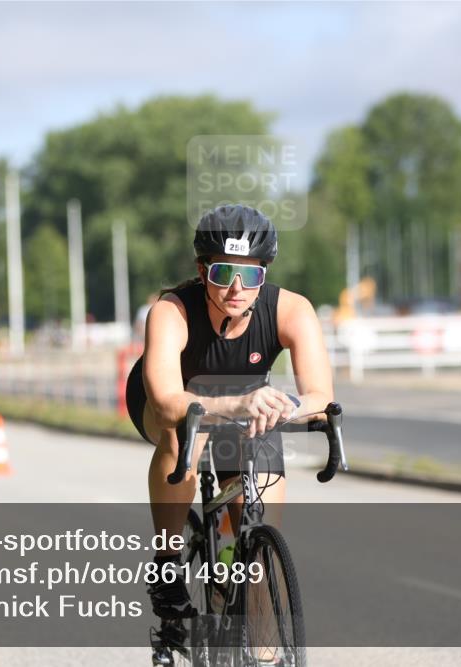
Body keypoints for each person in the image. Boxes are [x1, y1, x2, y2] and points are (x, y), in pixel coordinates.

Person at [124, 205, 334, 635]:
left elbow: (320, 395)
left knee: (256, 534)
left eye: (250, 276)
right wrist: (237, 405)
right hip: (171, 402)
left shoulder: (291, 310)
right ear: (202, 271)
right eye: (223, 274)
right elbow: (166, 401)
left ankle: (258, 635)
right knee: (187, 434)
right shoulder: (172, 311)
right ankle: (166, 566)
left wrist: (286, 407)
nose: (236, 288)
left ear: (264, 274)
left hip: (249, 403)